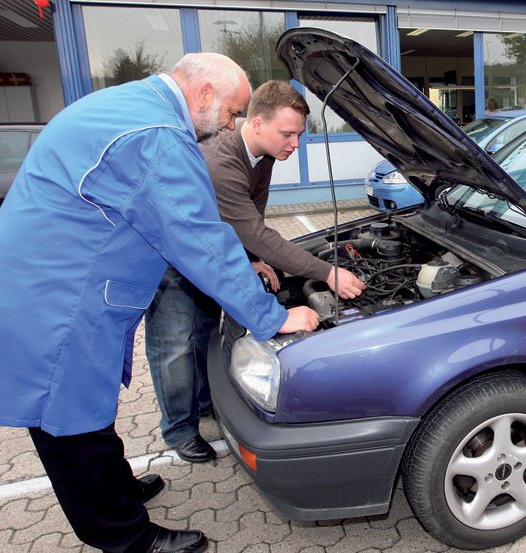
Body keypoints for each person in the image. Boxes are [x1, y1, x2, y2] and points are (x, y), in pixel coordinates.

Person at [0, 53, 318, 553]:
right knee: (67, 425)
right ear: (203, 96)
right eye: (232, 111)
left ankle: (117, 490)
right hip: (49, 305)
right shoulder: (157, 136)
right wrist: (274, 316)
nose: (231, 123)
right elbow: (199, 240)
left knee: (89, 408)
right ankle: (124, 536)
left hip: (45, 286)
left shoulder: (130, 104)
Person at [145, 81, 366, 463]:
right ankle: (179, 431)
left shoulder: (262, 156)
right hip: (172, 260)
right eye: (288, 133)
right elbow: (257, 231)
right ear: (257, 123)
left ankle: (202, 406)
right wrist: (327, 273)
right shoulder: (222, 162)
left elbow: (247, 217)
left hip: (207, 250)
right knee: (176, 346)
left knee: (201, 334)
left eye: (299, 134)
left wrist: (250, 258)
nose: (295, 144)